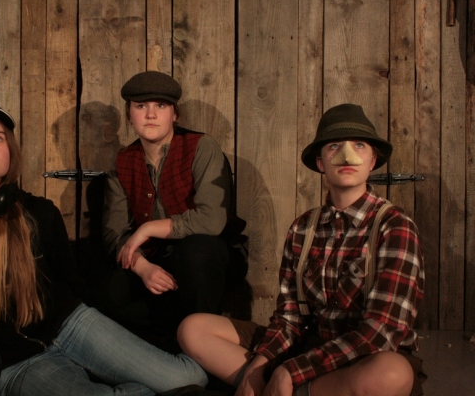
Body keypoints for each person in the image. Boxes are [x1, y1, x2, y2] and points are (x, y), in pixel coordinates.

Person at [0, 104, 209, 396]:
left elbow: (73, 284)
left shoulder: (40, 212)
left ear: (11, 150)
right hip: (17, 364)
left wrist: (103, 348)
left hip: (72, 324)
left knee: (189, 379)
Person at [177, 104, 426, 396]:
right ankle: (275, 386)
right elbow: (290, 317)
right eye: (334, 146)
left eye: (359, 145)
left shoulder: (394, 226)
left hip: (363, 358)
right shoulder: (303, 228)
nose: (347, 156)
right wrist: (260, 365)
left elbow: (381, 331)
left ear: (372, 161)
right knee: (193, 328)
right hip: (310, 347)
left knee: (391, 373)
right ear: (320, 162)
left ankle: (287, 389)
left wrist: (290, 371)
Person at [100, 71, 246, 338]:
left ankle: (202, 344)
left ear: (174, 114)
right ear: (129, 115)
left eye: (161, 106)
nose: (150, 115)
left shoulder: (201, 147)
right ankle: (161, 346)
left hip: (208, 254)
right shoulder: (123, 160)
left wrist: (147, 229)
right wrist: (143, 267)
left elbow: (211, 220)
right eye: (140, 106)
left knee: (196, 254)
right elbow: (115, 233)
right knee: (110, 290)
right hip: (155, 256)